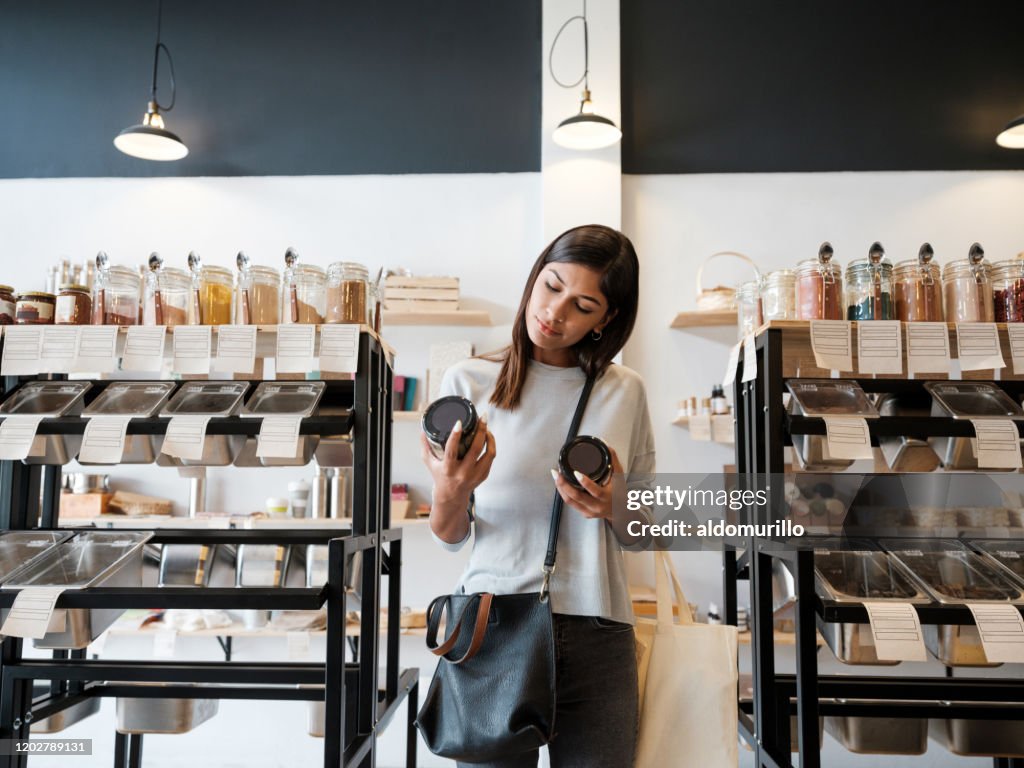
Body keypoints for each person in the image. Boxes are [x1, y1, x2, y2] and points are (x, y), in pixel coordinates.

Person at [421, 224, 655, 768]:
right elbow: (450, 534)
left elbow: (650, 531)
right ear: (534, 278)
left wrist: (615, 506)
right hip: (490, 624)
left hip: (598, 633)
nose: (555, 313)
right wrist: (451, 492)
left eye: (583, 305)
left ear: (607, 319)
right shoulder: (468, 383)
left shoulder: (625, 393)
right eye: (551, 286)